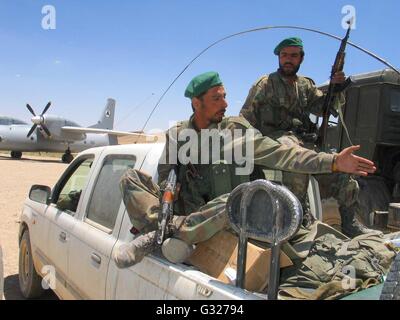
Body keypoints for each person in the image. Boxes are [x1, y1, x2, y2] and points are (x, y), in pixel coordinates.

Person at [113, 71, 377, 268]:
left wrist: (331, 162)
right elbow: (165, 179)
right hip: (193, 212)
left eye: (225, 97)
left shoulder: (235, 131)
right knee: (131, 177)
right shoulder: (177, 135)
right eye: (217, 99)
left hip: (229, 221)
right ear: (197, 103)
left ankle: (162, 235)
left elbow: (282, 154)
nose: (226, 104)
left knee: (239, 198)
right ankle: (168, 228)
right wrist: (170, 188)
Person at [240, 37, 371, 237]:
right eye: (284, 55)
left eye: (293, 55)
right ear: (278, 57)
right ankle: (298, 217)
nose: (288, 60)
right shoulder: (265, 84)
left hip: (303, 140)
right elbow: (246, 120)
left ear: (301, 58)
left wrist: (336, 89)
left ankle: (349, 221)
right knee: (297, 160)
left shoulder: (305, 85)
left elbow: (323, 108)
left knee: (342, 169)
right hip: (275, 141)